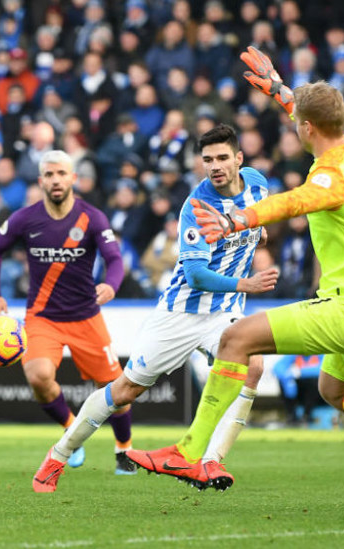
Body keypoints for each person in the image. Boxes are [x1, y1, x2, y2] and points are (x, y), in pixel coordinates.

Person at [130, 48, 344, 509]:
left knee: (236, 340)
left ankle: (186, 452)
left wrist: (234, 220)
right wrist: (284, 92)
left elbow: (292, 202)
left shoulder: (329, 178)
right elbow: (314, 122)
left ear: (305, 129)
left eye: (298, 122)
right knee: (333, 389)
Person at [31, 125, 278, 493]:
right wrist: (246, 283)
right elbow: (196, 275)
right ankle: (58, 455)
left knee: (253, 367)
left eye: (223, 158)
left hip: (224, 314)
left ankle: (208, 462)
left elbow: (260, 215)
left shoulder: (257, 183)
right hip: (180, 313)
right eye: (207, 160)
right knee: (126, 390)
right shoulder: (195, 207)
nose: (215, 166)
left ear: (239, 159)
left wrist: (260, 230)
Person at [0, 150, 134, 476]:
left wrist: (111, 284)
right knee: (38, 377)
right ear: (41, 181)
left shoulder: (92, 217)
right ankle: (71, 431)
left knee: (117, 392)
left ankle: (124, 450)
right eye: (49, 175)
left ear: (73, 179)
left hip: (85, 316)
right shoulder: (25, 218)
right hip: (42, 317)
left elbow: (115, 259)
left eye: (61, 174)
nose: (55, 180)